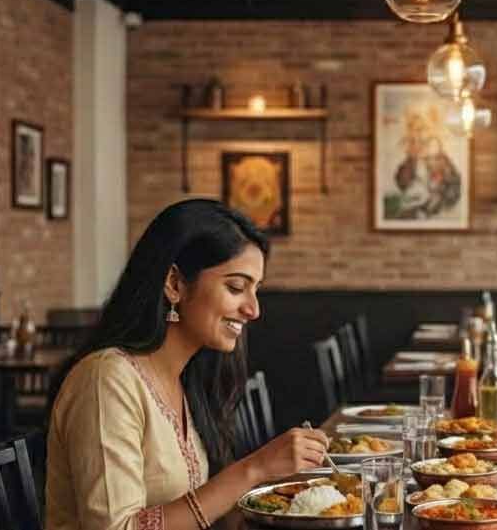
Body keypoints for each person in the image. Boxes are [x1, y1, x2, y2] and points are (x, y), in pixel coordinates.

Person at [45, 199, 328, 530]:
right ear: (175, 284)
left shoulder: (186, 377)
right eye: (236, 287)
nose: (254, 309)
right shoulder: (105, 379)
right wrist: (254, 469)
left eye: (256, 289)